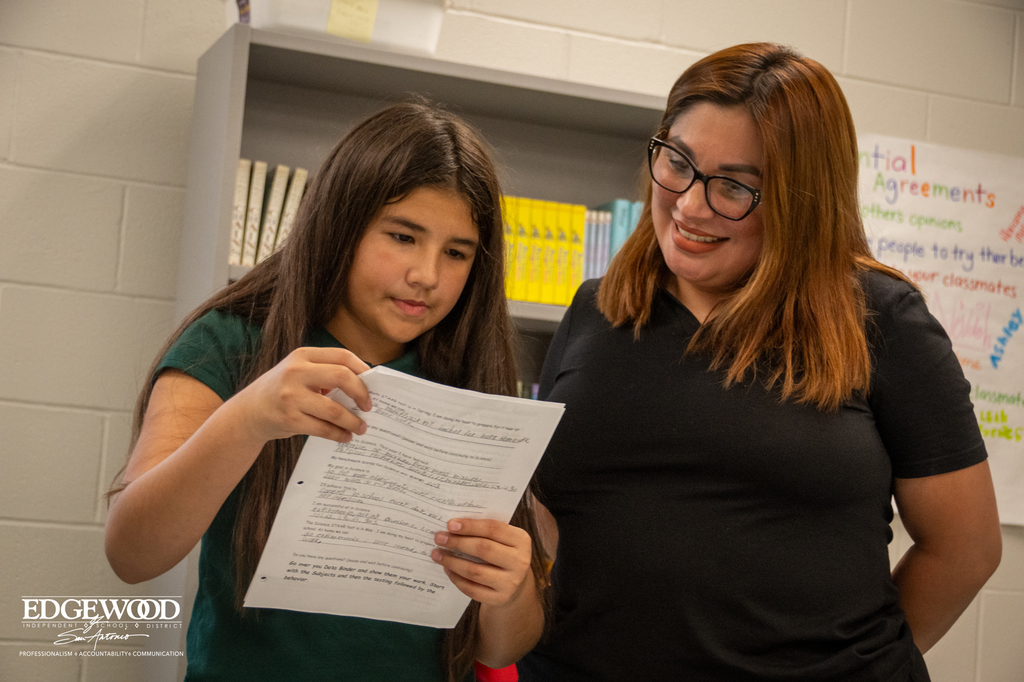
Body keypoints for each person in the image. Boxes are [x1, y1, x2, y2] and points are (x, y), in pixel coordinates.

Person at [517, 43, 1002, 681]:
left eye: (735, 186)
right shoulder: (596, 308)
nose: (690, 206)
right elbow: (549, 522)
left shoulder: (879, 317)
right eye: (678, 162)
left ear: (804, 201)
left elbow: (966, 548)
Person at [104, 101, 547, 682]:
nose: (427, 275)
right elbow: (131, 553)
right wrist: (248, 420)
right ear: (340, 225)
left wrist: (510, 590)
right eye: (403, 236)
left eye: (456, 253)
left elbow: (501, 648)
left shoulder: (468, 370)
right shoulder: (231, 341)